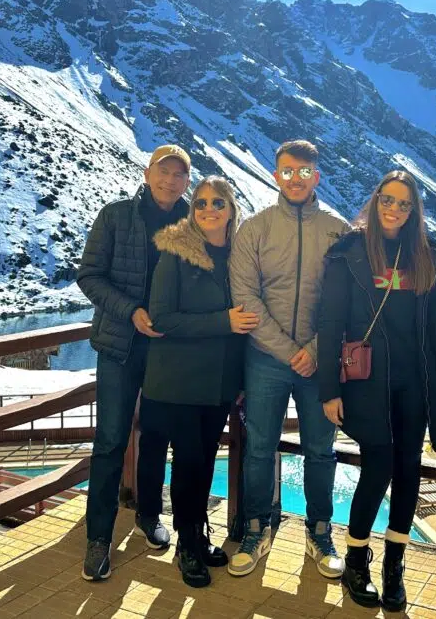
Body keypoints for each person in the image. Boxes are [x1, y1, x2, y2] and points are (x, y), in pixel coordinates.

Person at [317, 170, 436, 611]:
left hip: (415, 384)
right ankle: (358, 559)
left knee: (408, 471)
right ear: (375, 199)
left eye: (404, 203)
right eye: (387, 199)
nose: (394, 209)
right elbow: (330, 325)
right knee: (377, 467)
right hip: (367, 384)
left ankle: (394, 565)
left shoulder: (427, 257)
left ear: (414, 210)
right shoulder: (350, 253)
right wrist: (329, 389)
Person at [227, 140, 350, 579]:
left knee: (321, 450)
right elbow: (245, 298)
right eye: (286, 171)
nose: (295, 179)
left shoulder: (338, 231)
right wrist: (290, 351)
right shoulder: (254, 230)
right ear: (275, 175)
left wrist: (315, 350)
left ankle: (319, 533)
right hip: (265, 359)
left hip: (321, 360)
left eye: (303, 172)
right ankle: (256, 530)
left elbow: (347, 300)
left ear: (316, 176)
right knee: (260, 447)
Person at [76, 144, 191, 581]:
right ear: (147, 173)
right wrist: (130, 311)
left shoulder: (192, 224)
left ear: (186, 181)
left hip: (167, 349)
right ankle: (98, 538)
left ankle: (148, 516)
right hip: (120, 345)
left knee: (158, 436)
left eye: (179, 174)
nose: (170, 180)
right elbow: (89, 275)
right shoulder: (115, 215)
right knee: (110, 441)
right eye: (164, 171)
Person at [139, 176, 257, 588]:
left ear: (231, 208)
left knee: (205, 460)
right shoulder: (175, 252)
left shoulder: (241, 254)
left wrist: (241, 377)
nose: (209, 209)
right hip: (181, 379)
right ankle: (187, 545)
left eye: (218, 202)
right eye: (202, 202)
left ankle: (197, 533)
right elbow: (163, 318)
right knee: (189, 462)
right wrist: (222, 321)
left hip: (221, 381)